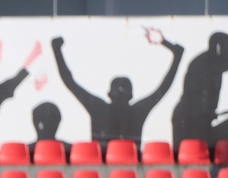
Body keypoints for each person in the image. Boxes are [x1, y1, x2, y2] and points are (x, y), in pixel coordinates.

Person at [52, 34, 182, 147]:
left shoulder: (99, 108)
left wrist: (57, 50)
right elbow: (163, 88)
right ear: (131, 95)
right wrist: (177, 57)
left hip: (105, 162)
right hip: (124, 162)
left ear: (109, 94)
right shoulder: (137, 111)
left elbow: (70, 83)